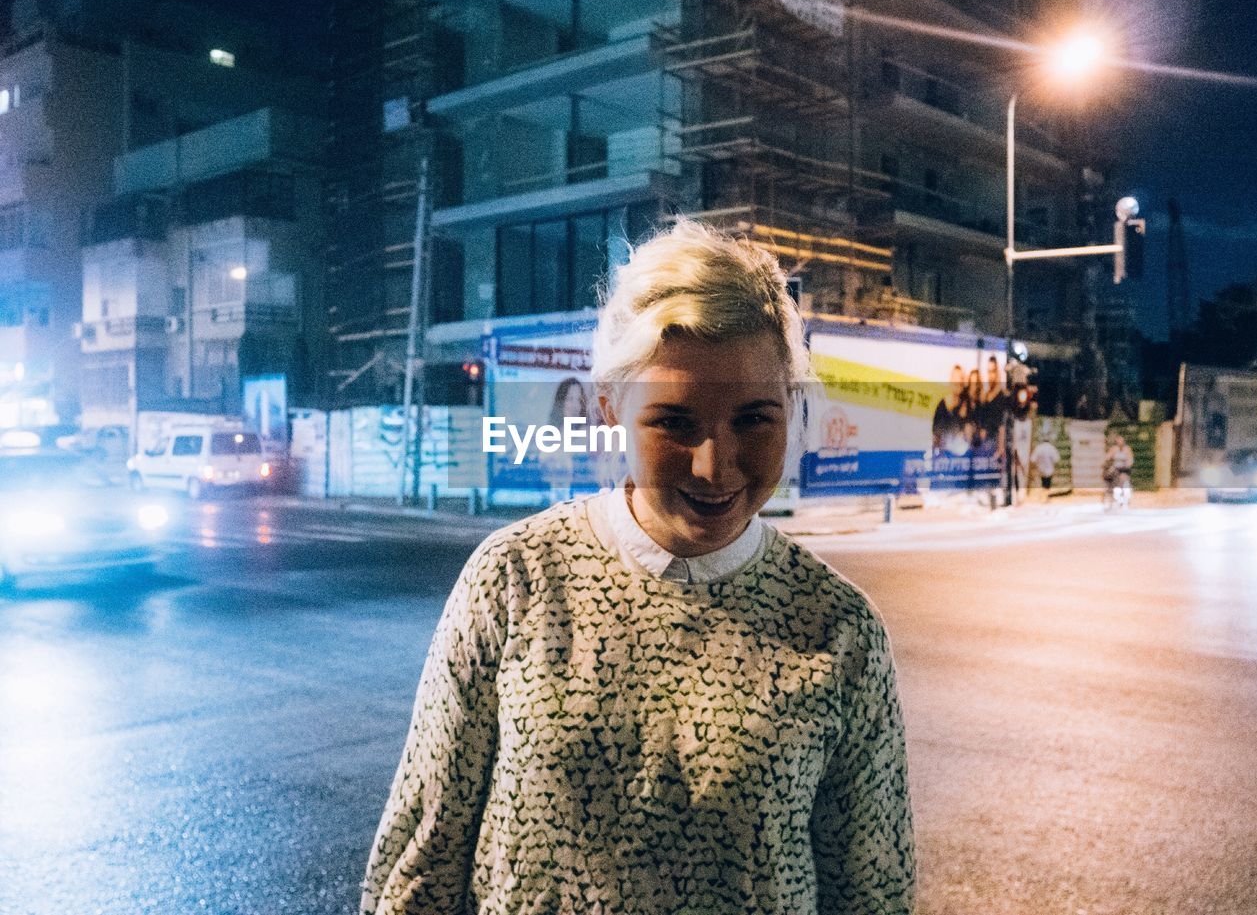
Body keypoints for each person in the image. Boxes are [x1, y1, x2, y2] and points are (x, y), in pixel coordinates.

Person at [362, 220, 915, 915]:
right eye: (675, 423)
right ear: (609, 407)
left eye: (754, 419)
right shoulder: (514, 581)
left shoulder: (838, 629)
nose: (715, 465)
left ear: (792, 408)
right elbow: (423, 861)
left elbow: (874, 893)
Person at [1103, 433, 1134, 508]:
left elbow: (1130, 460)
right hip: (1115, 468)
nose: (1120, 441)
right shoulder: (1113, 449)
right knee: (1111, 478)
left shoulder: (1127, 449)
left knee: (1124, 480)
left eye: (1121, 440)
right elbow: (1107, 458)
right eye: (1118, 440)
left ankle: (1125, 499)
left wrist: (1127, 466)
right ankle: (1112, 497)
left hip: (1124, 469)